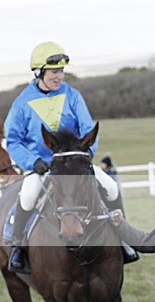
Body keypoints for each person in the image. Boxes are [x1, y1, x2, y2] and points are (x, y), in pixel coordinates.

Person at [4, 41, 137, 271]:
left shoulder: (73, 96)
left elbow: (88, 131)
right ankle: (18, 249)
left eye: (62, 71)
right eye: (55, 71)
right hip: (41, 166)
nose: (59, 76)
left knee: (111, 187)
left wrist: (82, 159)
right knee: (27, 195)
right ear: (39, 72)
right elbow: (13, 140)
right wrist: (32, 162)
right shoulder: (22, 103)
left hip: (75, 165)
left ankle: (122, 239)